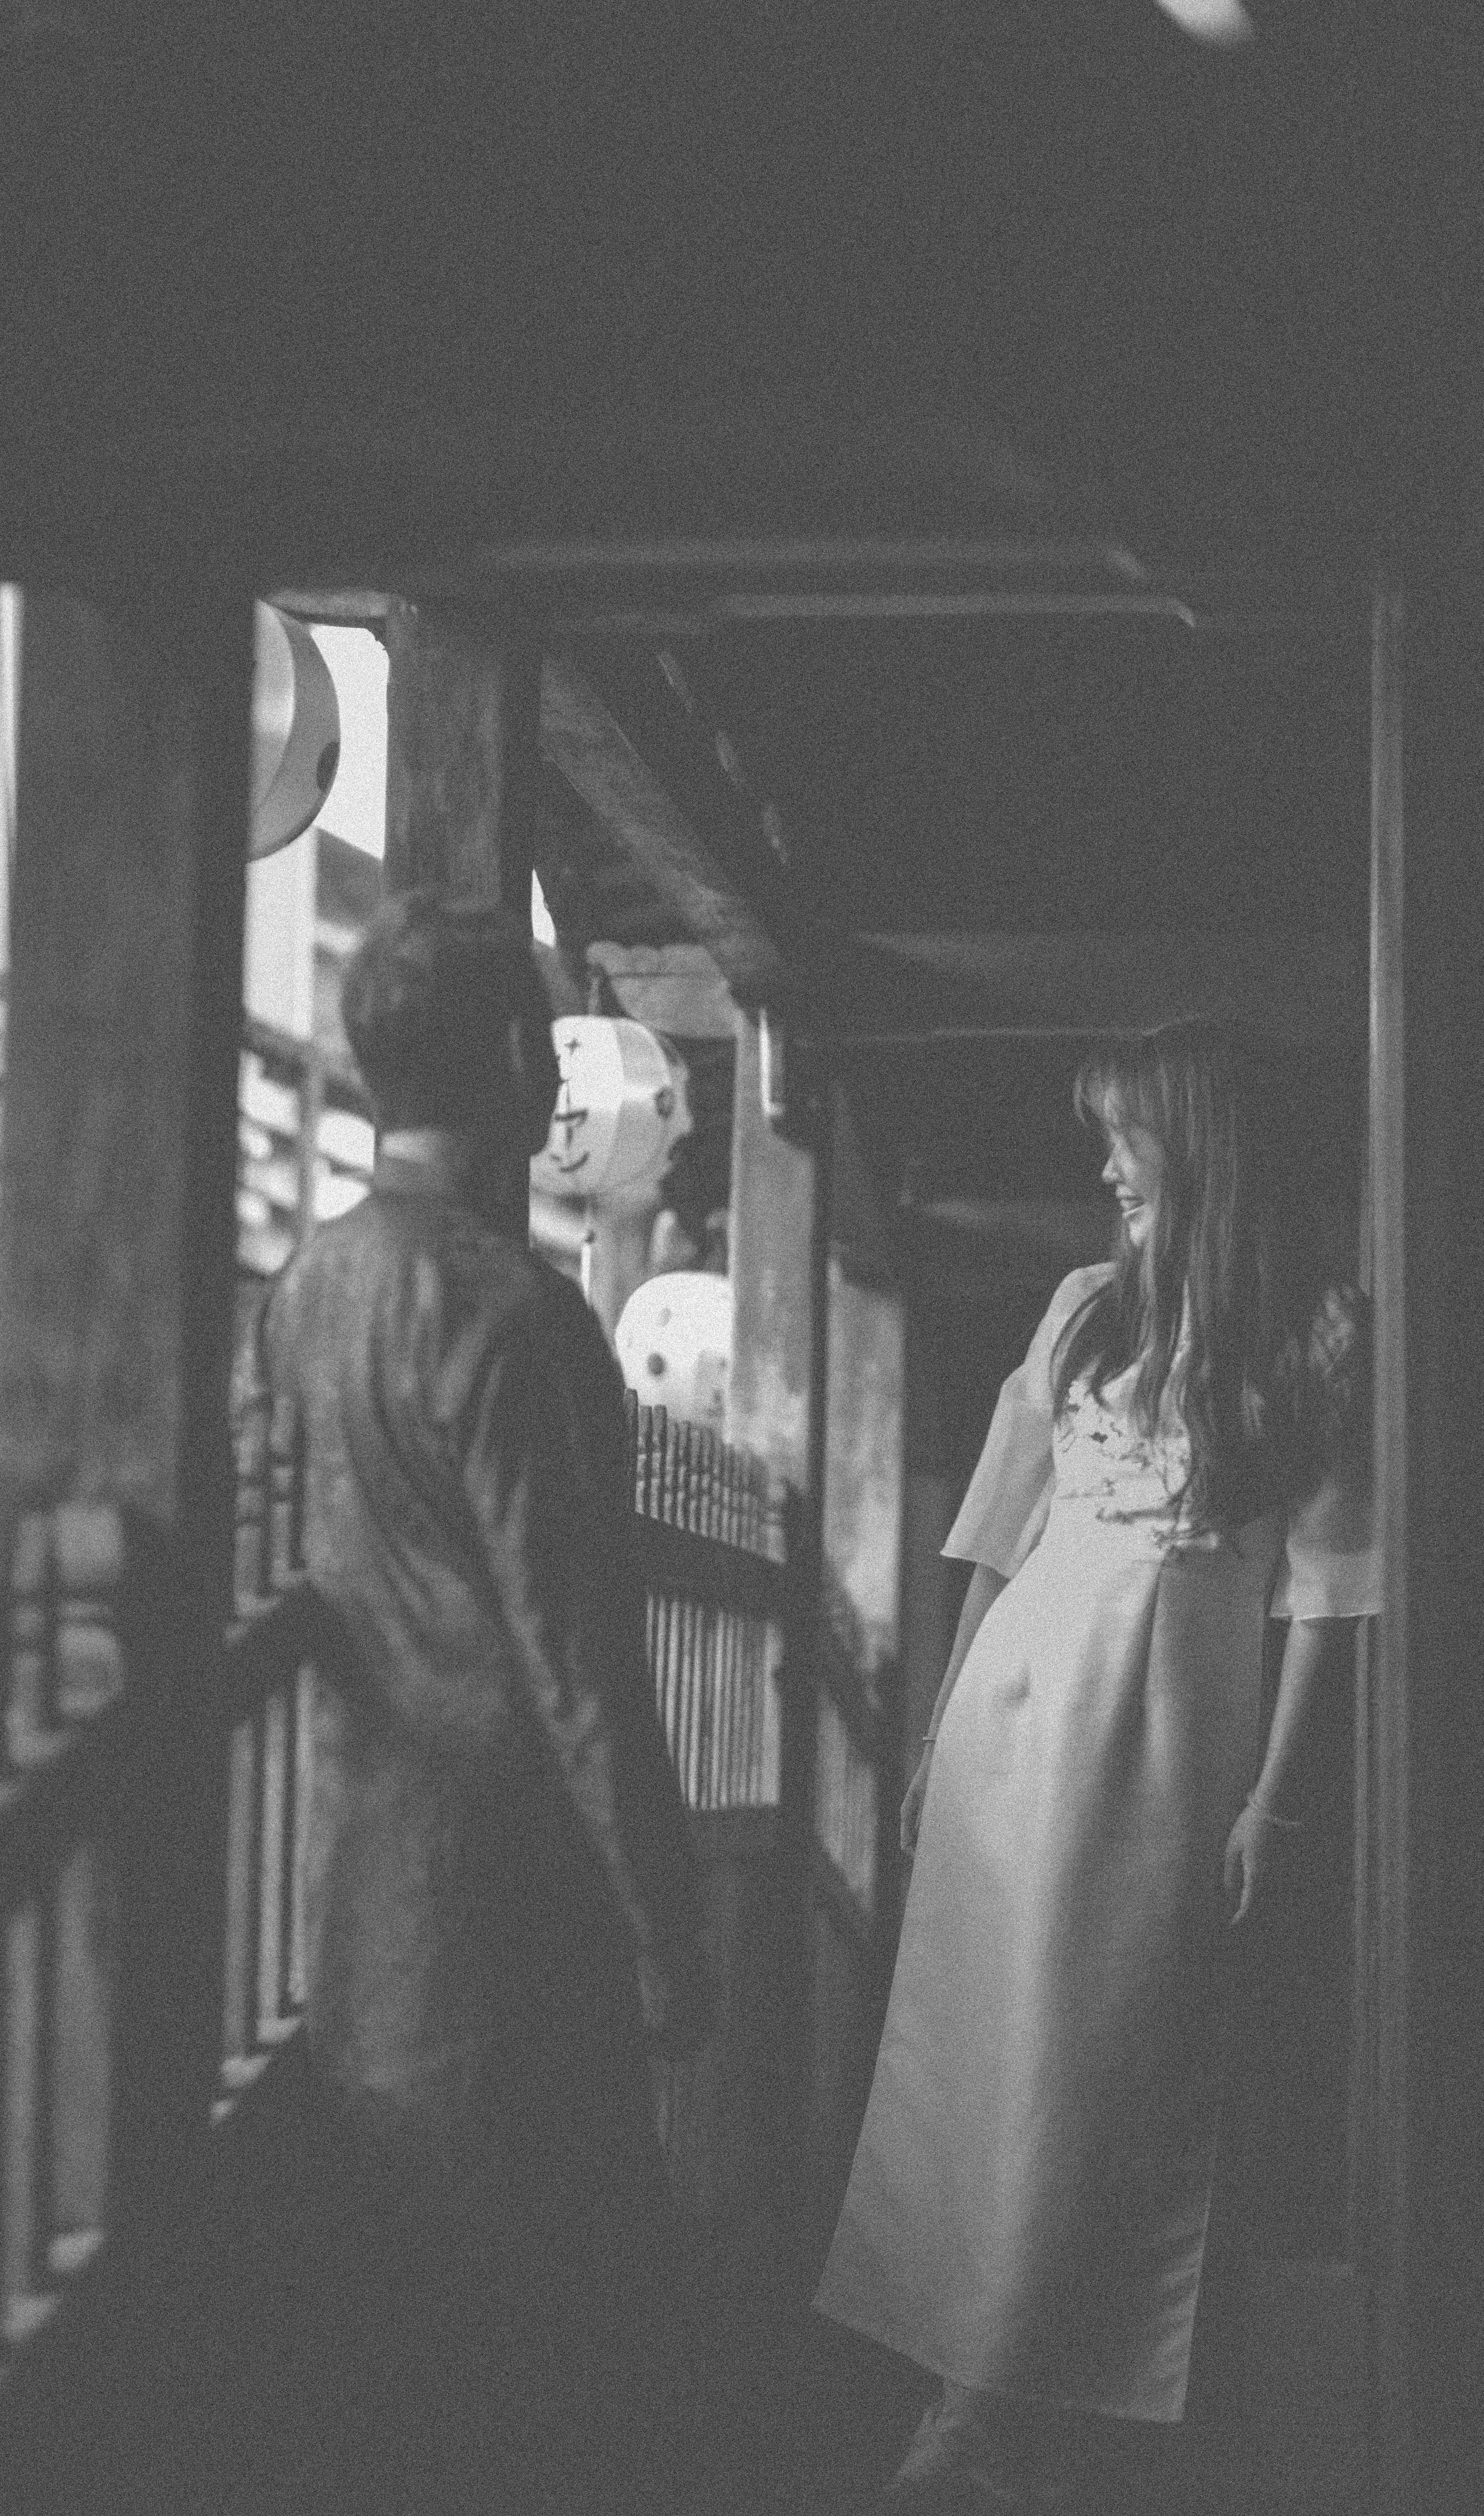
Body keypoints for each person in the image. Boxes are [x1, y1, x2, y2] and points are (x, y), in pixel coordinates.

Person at [813, 1020, 1379, 2514]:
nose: (1108, 1165)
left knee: (1107, 2062)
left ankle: (1054, 2396)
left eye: (1130, 1136)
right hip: (1017, 1717)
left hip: (1169, 1741)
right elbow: (1001, 1538)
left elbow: (1326, 1586)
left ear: (1201, 1149)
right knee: (982, 2053)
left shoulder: (1320, 1327)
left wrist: (1275, 1793)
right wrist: (935, 1730)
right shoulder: (1082, 1309)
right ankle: (964, 2393)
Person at [242, 891, 716, 2516]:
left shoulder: (309, 1286)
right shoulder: (516, 1315)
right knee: (553, 2350)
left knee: (403, 2348)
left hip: (361, 1870)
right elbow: (577, 1667)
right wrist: (666, 1928)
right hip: (518, 1890)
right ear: (520, 1059)